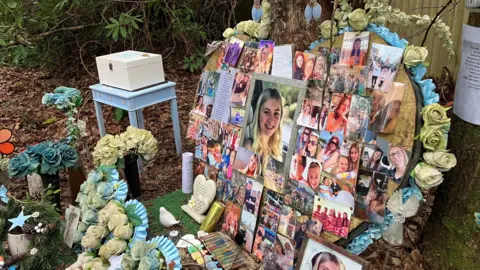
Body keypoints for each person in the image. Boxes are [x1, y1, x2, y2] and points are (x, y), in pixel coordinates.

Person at [248, 88, 284, 168]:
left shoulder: (277, 151)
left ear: (280, 118)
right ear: (258, 115)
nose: (271, 120)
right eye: (266, 112)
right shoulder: (249, 147)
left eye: (276, 113)